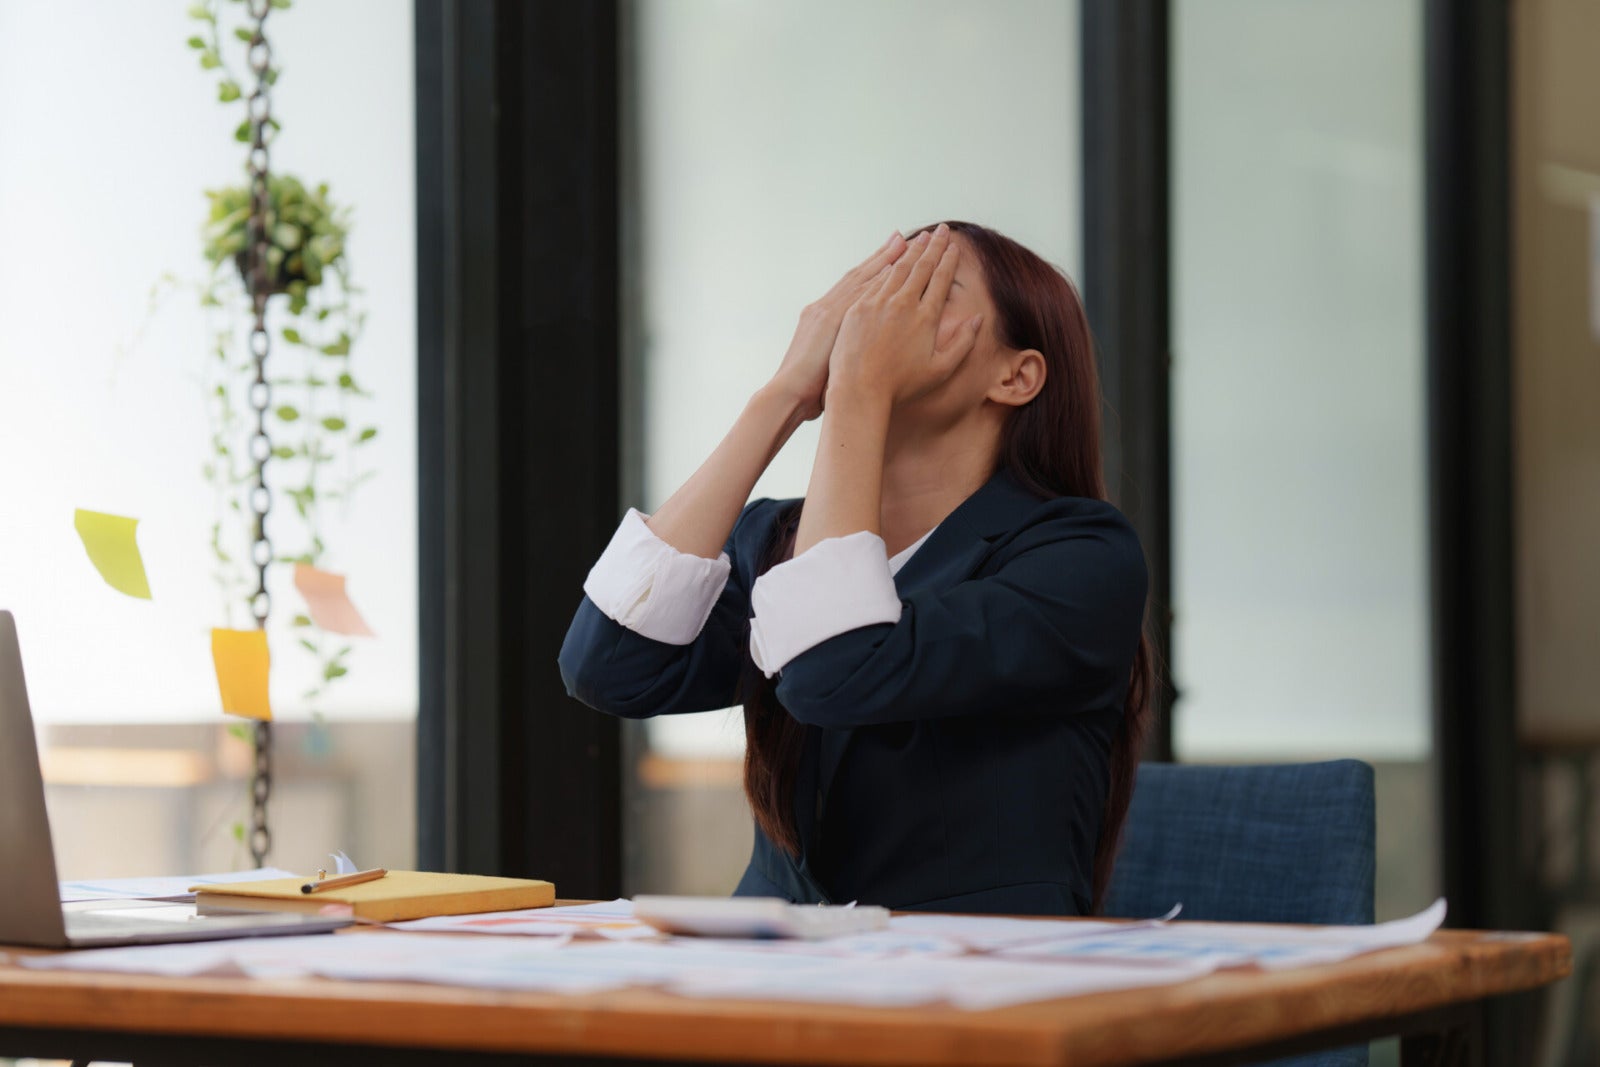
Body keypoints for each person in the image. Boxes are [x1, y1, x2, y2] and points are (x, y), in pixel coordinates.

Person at [559, 221, 1152, 916]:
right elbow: (609, 665)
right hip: (778, 970)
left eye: (927, 292)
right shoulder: (781, 539)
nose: (877, 316)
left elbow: (834, 669)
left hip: (978, 973)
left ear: (1016, 376)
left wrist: (860, 391)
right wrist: (782, 396)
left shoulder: (1080, 558)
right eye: (875, 288)